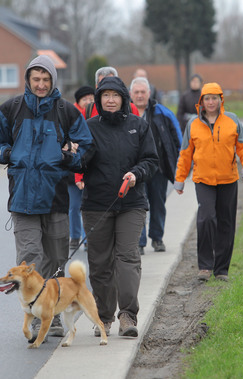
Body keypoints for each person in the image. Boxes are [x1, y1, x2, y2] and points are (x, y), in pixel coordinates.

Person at [0, 55, 95, 342]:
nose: (41, 84)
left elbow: (87, 147)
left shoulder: (66, 112)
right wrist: (9, 154)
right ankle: (35, 318)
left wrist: (68, 158)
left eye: (46, 80)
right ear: (28, 80)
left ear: (53, 81)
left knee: (56, 259)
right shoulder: (11, 109)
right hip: (22, 200)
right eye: (36, 79)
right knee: (30, 261)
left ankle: (54, 314)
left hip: (56, 197)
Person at [81, 76, 158, 338]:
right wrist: (73, 154)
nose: (110, 100)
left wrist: (137, 173)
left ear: (124, 98)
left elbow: (151, 160)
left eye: (115, 95)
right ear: (99, 99)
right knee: (100, 263)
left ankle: (127, 315)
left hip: (131, 203)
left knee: (127, 258)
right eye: (105, 95)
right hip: (96, 205)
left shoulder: (138, 125)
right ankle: (103, 317)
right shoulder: (88, 127)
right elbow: (78, 163)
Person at [174, 82, 243, 282]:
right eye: (207, 99)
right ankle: (205, 266)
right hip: (203, 179)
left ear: (221, 100)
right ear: (201, 101)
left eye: (214, 98)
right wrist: (180, 179)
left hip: (228, 178)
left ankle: (221, 269)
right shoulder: (193, 124)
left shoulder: (232, 120)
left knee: (226, 222)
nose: (211, 102)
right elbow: (185, 154)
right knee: (206, 218)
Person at [129, 77, 182, 255]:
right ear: (131, 94)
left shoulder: (162, 112)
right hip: (135, 170)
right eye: (136, 92)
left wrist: (180, 164)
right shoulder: (126, 113)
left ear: (149, 93)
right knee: (139, 205)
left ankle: (157, 238)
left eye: (143, 92)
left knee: (158, 203)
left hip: (157, 168)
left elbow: (177, 139)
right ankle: (140, 242)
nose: (139, 95)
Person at [68, 86, 95, 249]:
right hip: (72, 170)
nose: (88, 101)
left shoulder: (95, 116)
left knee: (87, 206)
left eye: (91, 98)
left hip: (89, 169)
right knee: (74, 206)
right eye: (85, 99)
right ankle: (75, 235)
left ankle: (87, 238)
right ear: (78, 101)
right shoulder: (71, 116)